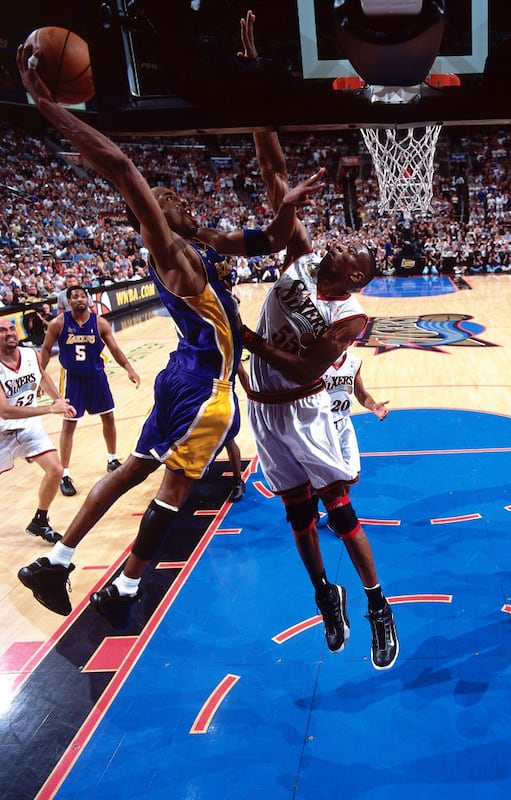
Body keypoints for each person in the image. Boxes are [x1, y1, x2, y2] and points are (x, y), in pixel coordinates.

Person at [15, 42, 323, 625]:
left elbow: (276, 237)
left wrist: (289, 200)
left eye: (173, 196)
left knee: (134, 467)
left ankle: (57, 562)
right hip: (205, 386)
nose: (172, 195)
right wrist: (48, 105)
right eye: (163, 200)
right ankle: (128, 589)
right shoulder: (171, 253)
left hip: (182, 373)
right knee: (174, 489)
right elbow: (124, 169)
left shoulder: (205, 243)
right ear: (153, 219)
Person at [235, 10, 399, 671]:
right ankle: (321, 594)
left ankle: (377, 604)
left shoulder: (351, 320)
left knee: (339, 512)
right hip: (268, 409)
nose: (340, 245)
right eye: (342, 243)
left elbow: (304, 368)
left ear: (356, 277)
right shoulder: (301, 252)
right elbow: (272, 164)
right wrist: (253, 77)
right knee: (296, 518)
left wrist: (242, 334)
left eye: (353, 253)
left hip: (304, 408)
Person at [39, 285, 141, 497]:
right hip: (72, 379)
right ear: (68, 301)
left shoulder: (99, 322)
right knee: (69, 424)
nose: (79, 299)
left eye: (82, 295)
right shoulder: (59, 323)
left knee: (108, 417)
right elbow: (46, 349)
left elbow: (114, 349)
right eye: (74, 297)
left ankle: (112, 459)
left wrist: (129, 369)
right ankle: (64, 474)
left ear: (88, 299)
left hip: (96, 377)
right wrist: (40, 375)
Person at [0, 317, 76, 543]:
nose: (9, 333)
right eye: (2, 331)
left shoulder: (30, 354)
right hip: (2, 431)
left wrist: (59, 400)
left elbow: (42, 376)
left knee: (56, 470)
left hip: (28, 428)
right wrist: (50, 409)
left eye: (11, 328)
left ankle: (40, 521)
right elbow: (5, 411)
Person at [321, 349, 389, 478]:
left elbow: (360, 394)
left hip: (343, 422)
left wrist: (373, 406)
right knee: (322, 478)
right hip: (321, 425)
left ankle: (344, 498)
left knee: (352, 473)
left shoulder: (354, 362)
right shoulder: (316, 362)